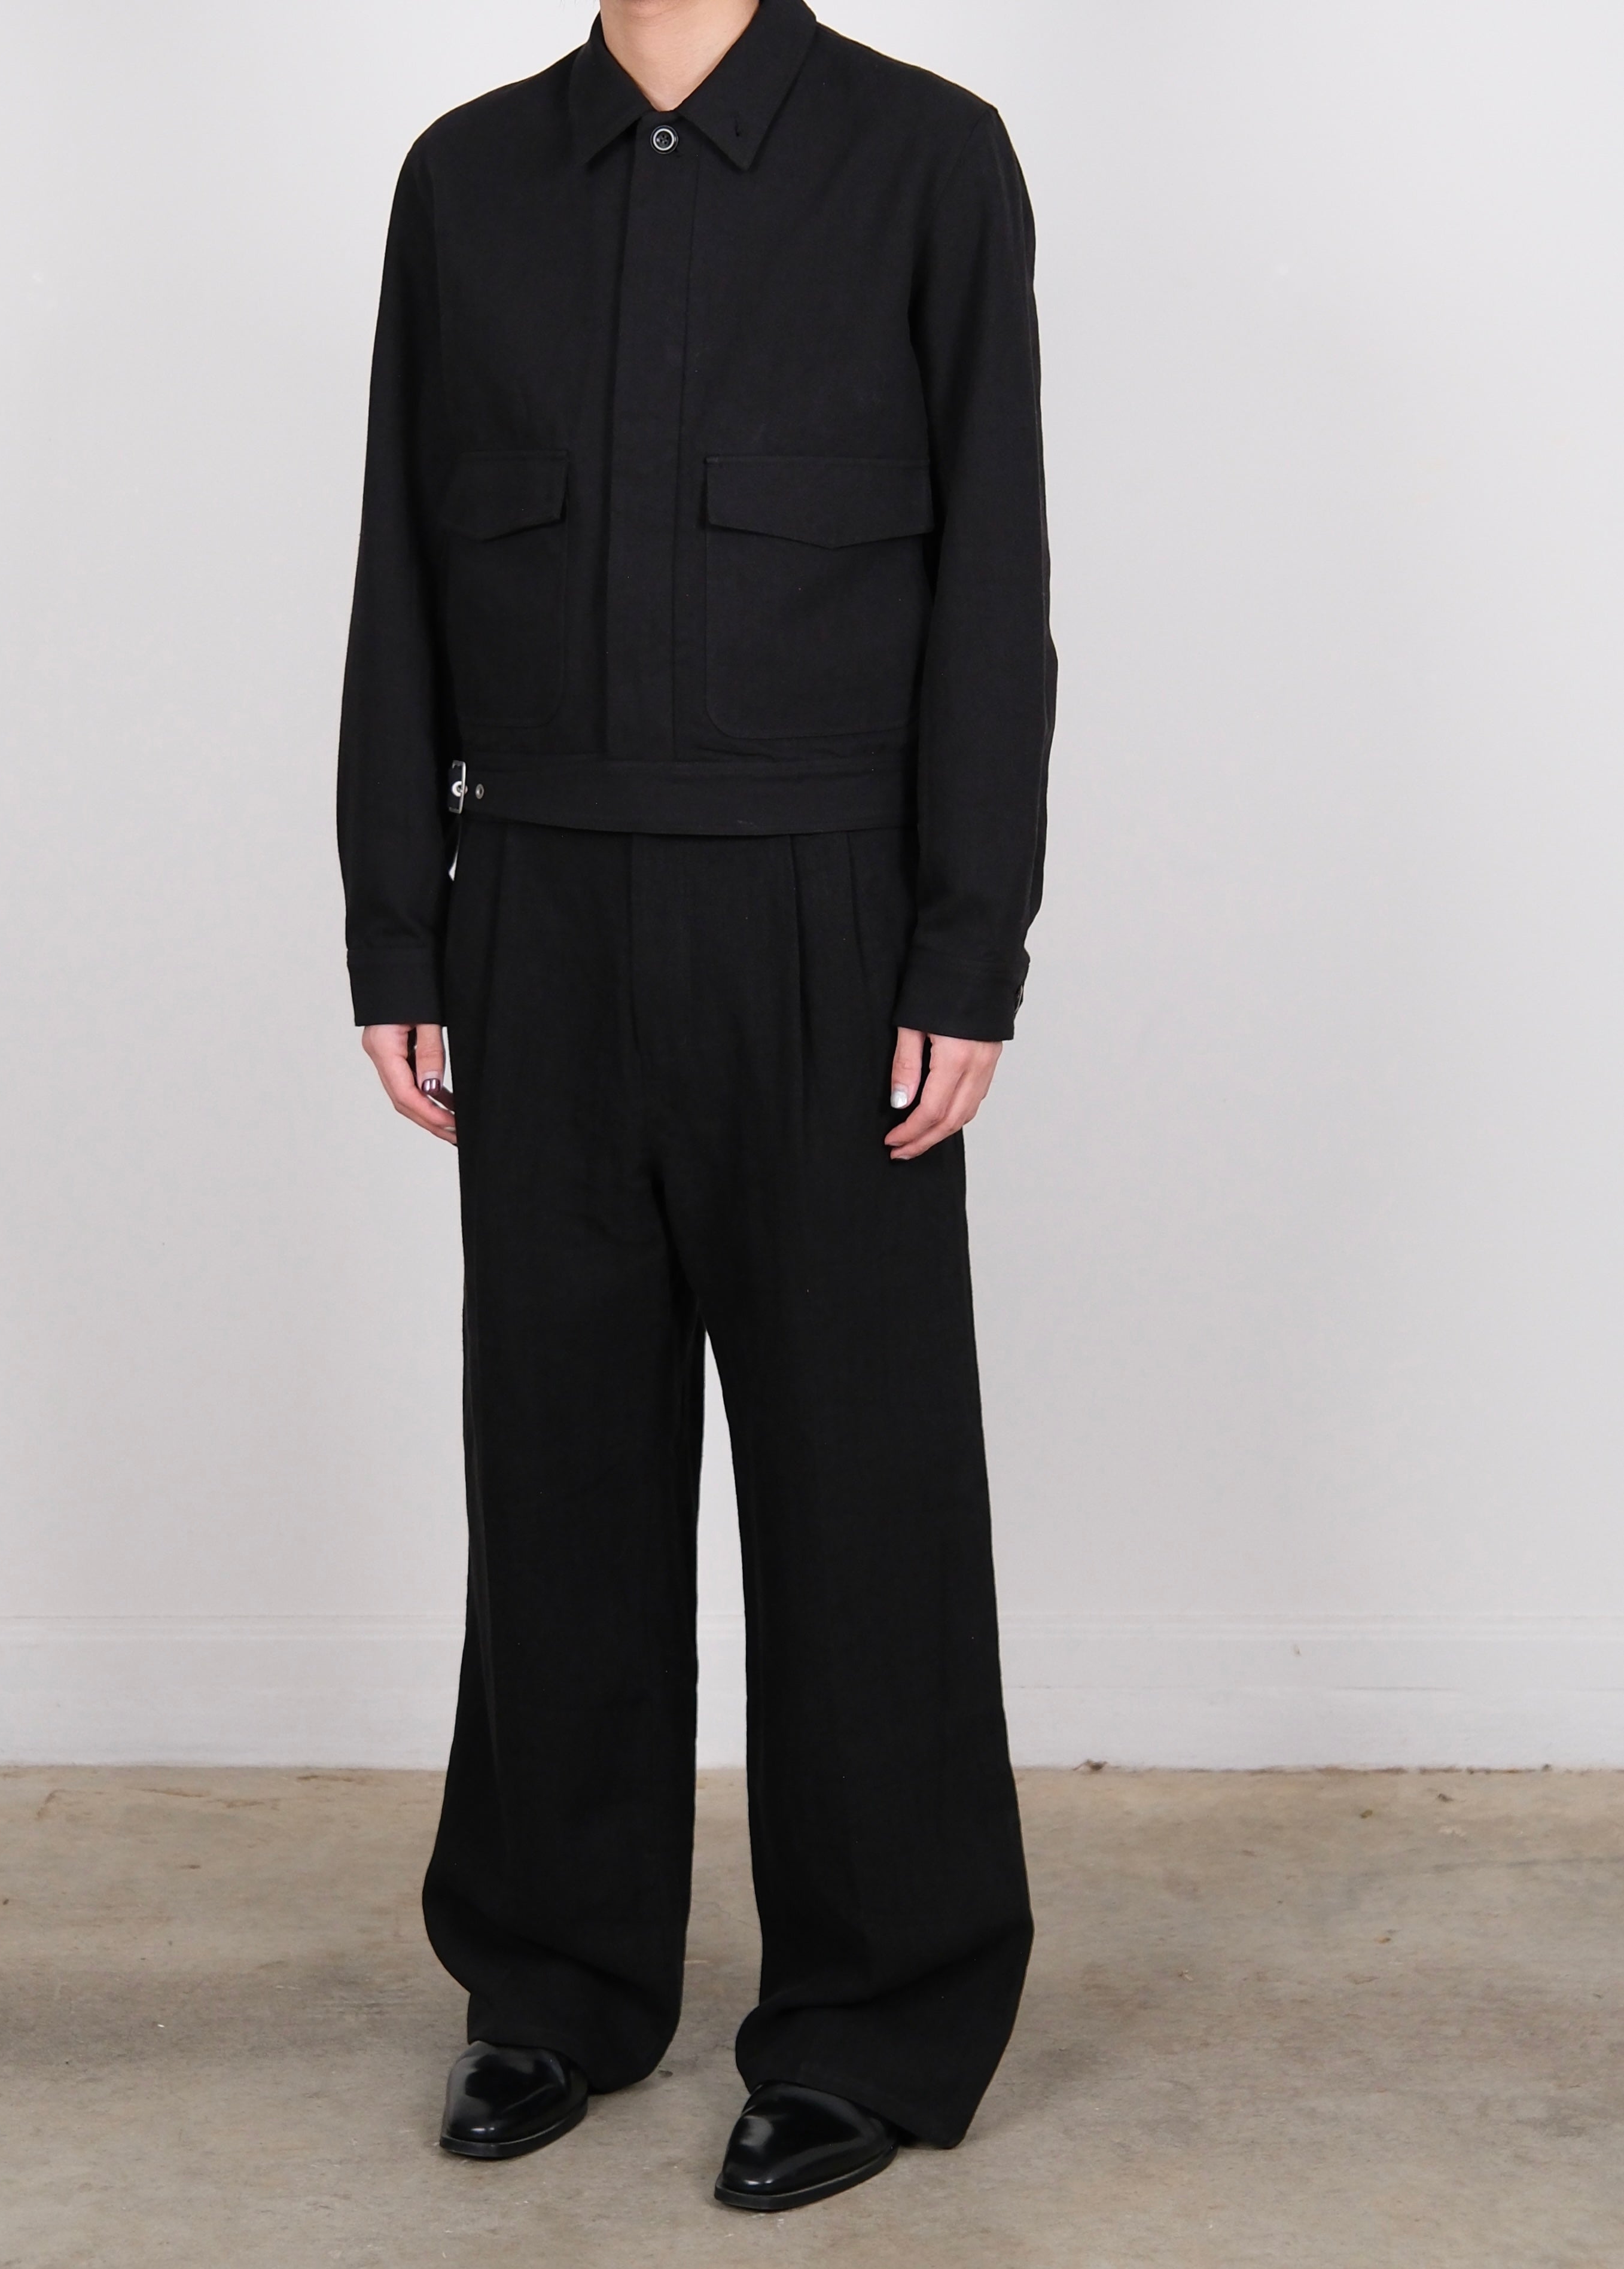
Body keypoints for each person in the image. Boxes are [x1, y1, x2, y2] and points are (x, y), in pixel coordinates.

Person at [337, 0, 1053, 2214]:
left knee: (861, 1481)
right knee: (556, 1459)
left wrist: (964, 944)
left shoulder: (924, 161)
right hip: (539, 901)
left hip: (824, 911)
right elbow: (396, 572)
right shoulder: (467, 179)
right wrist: (397, 927)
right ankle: (552, 1976)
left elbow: (996, 580)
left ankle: (875, 2010)